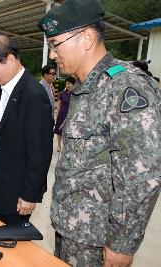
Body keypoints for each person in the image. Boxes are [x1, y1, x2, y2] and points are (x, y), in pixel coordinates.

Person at [38, 0, 161, 266]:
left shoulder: (125, 86)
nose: (52, 55)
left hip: (99, 241)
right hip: (71, 229)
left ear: (86, 38)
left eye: (55, 44)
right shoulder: (84, 88)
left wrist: (122, 242)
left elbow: (143, 174)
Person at [0, 32, 54, 225]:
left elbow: (40, 151)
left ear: (10, 59)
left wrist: (30, 195)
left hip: (16, 191)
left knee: (12, 243)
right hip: (0, 180)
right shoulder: (7, 86)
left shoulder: (33, 95)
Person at [54, 76, 75, 152]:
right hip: (62, 114)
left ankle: (67, 147)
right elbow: (59, 105)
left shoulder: (75, 94)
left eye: (69, 84)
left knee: (69, 131)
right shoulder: (62, 93)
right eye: (66, 84)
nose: (67, 85)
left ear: (73, 84)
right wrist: (57, 115)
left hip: (71, 115)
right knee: (59, 131)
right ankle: (59, 145)